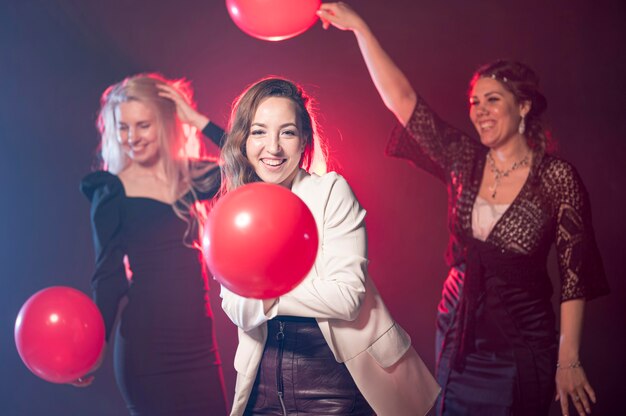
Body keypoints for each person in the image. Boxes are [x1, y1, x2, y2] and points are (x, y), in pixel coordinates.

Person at [317, 3, 610, 416]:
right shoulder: (464, 160)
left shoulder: (555, 177)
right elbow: (402, 102)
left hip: (521, 340)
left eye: (493, 99)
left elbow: (574, 276)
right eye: (474, 102)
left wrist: (569, 360)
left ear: (523, 106)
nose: (480, 111)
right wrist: (362, 30)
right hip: (459, 328)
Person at [218, 77, 441, 416]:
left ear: (304, 138)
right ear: (243, 139)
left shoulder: (330, 193)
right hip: (261, 393)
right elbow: (238, 309)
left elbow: (347, 298)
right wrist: (292, 295)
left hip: (336, 389)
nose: (273, 147)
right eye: (259, 132)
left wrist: (263, 293)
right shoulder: (234, 210)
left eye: (288, 132)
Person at [78, 73, 229, 415]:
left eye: (143, 125)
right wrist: (93, 346)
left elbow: (253, 165)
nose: (132, 137)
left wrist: (197, 120)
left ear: (164, 123)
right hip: (146, 349)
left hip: (199, 344)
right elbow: (109, 277)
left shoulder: (191, 175)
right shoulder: (110, 191)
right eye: (123, 128)